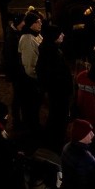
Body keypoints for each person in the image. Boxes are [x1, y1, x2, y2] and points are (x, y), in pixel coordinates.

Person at [35, 23, 74, 152]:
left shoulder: (50, 49)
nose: (63, 35)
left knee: (57, 116)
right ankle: (55, 143)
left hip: (57, 91)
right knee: (58, 117)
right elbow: (56, 75)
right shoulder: (51, 52)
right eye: (60, 33)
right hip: (58, 92)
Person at [60, 119, 95, 189]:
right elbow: (87, 184)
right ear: (81, 135)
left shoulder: (67, 147)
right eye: (89, 132)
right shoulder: (84, 158)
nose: (93, 134)